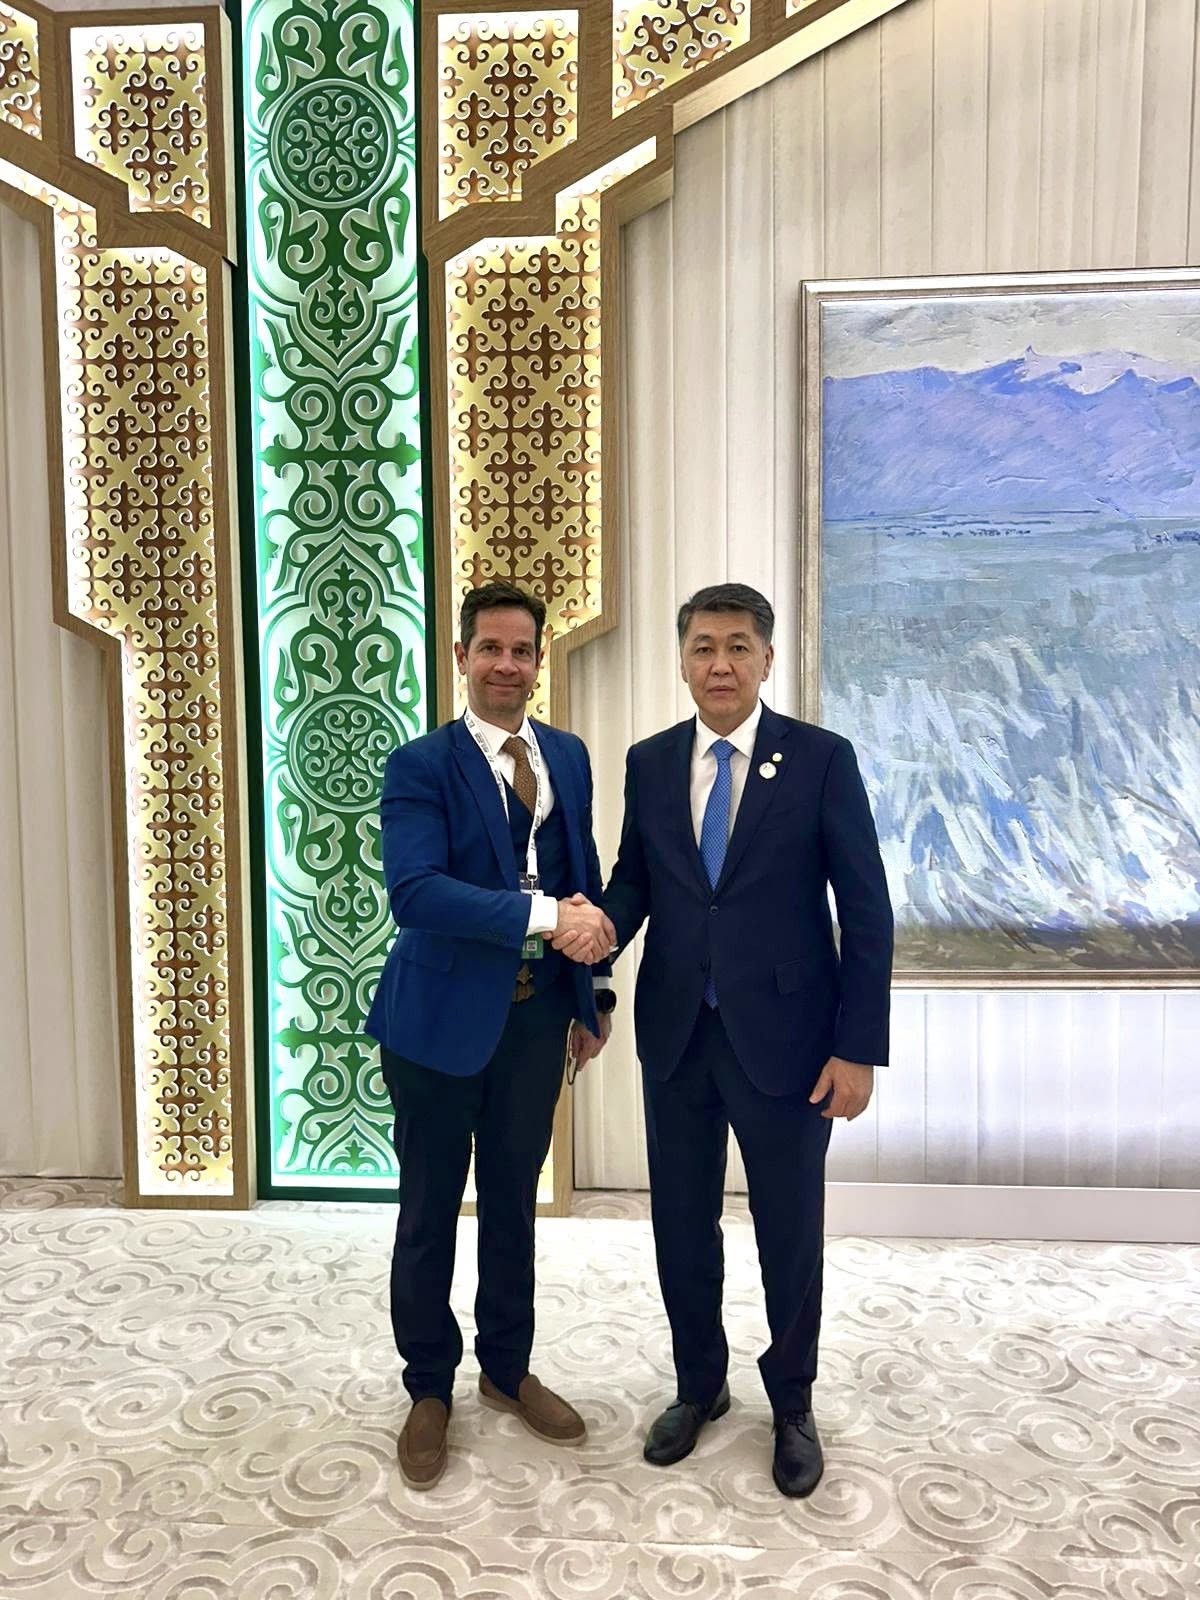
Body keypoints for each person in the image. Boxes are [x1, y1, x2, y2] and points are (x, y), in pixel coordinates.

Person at [574, 581, 892, 1497]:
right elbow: (637, 881)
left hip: (792, 1043)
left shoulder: (821, 760)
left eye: (738, 646)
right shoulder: (650, 762)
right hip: (678, 1033)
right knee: (680, 1223)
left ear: (767, 659)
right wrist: (597, 939)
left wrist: (857, 1047)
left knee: (789, 1229)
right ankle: (699, 1385)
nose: (720, 663)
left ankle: (792, 1403)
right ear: (681, 661)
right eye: (704, 647)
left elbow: (866, 910)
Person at [366, 580, 616, 1489]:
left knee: (514, 1204)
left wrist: (593, 996)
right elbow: (416, 893)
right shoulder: (420, 765)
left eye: (521, 651)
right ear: (461, 657)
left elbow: (585, 879)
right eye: (490, 649)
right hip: (435, 1027)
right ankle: (428, 1386)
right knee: (430, 1208)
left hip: (536, 1020)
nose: (506, 666)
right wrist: (547, 918)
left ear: (538, 661)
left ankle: (507, 1370)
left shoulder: (568, 755)